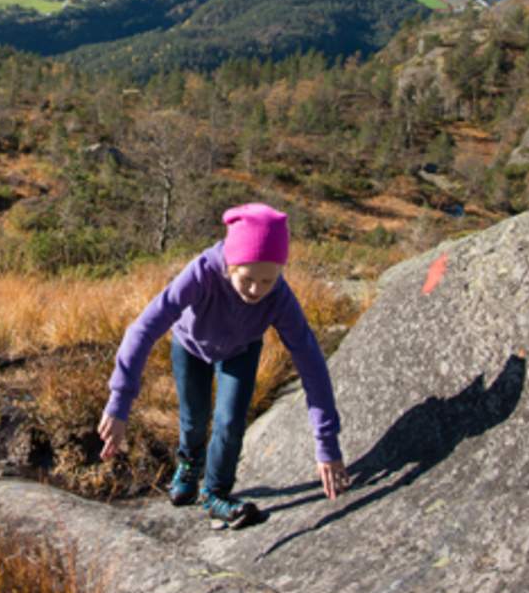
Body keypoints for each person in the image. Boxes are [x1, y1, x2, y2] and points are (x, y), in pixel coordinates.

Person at [97, 203, 347, 527]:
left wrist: (326, 443)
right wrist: (119, 404)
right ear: (230, 264)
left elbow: (311, 362)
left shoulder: (280, 297)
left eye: (268, 280)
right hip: (190, 346)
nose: (257, 290)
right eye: (248, 279)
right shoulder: (202, 273)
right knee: (194, 419)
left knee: (230, 422)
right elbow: (143, 328)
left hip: (240, 351)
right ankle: (188, 466)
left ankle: (216, 493)